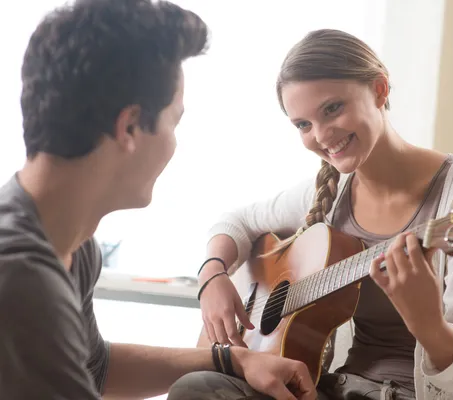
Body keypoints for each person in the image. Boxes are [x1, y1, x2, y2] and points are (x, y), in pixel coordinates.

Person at [0, 1, 317, 399]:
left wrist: (234, 360)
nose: (174, 143)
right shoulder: (20, 278)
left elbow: (95, 368)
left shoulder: (71, 247)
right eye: (174, 121)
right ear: (130, 126)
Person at [172, 29, 453, 399]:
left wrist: (428, 322)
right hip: (340, 388)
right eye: (303, 125)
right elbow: (236, 222)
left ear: (380, 90)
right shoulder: (331, 191)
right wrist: (213, 274)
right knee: (197, 387)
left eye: (332, 109)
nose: (322, 135)